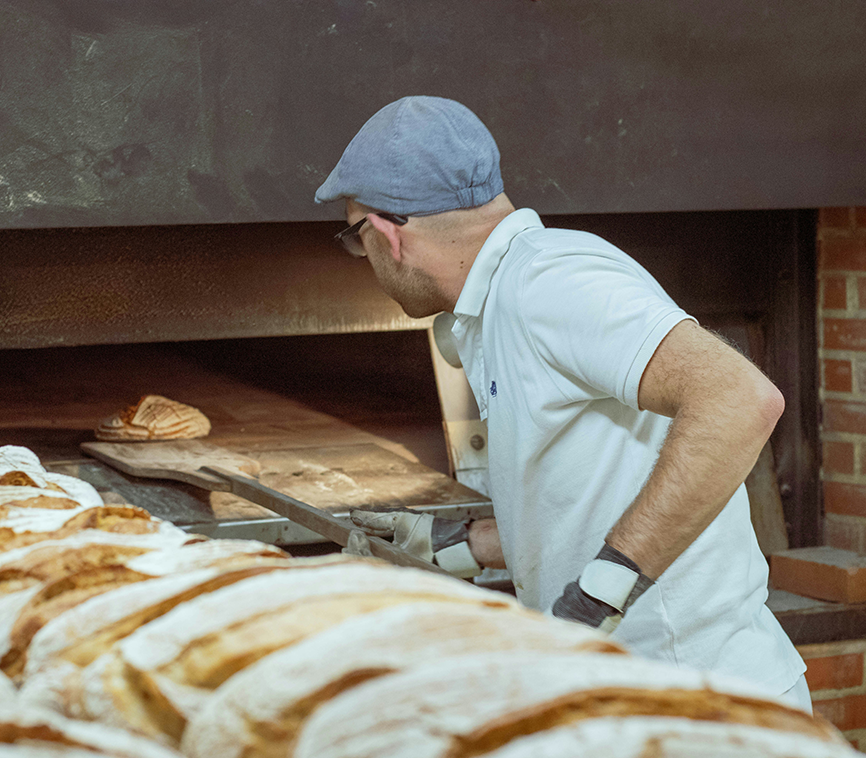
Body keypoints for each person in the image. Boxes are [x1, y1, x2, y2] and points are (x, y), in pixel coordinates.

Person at [314, 95, 810, 711]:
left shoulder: (549, 283)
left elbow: (741, 398)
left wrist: (598, 595)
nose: (364, 258)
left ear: (388, 235)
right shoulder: (499, 300)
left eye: (355, 237)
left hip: (699, 703)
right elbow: (591, 486)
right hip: (631, 696)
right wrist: (455, 544)